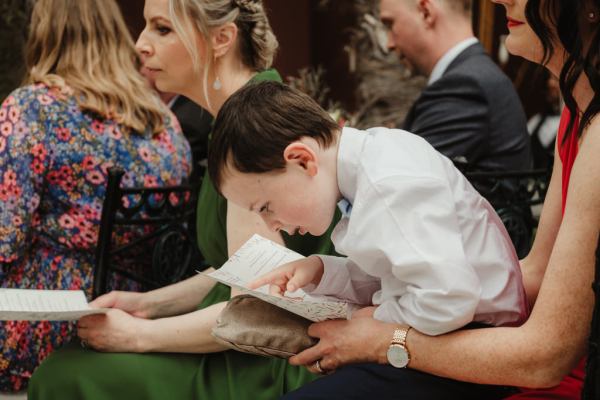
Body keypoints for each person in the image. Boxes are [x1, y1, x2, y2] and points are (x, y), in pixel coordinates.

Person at [271, 0, 599, 399]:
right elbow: (535, 273)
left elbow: (546, 357)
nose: (500, 1)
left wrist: (381, 337)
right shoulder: (577, 113)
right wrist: (342, 288)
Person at [28, 0, 339, 399]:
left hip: (273, 361)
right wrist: (149, 304)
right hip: (250, 335)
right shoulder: (242, 115)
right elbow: (240, 270)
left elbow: (256, 308)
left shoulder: (252, 134)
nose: (140, 44)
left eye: (162, 29)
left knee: (66, 373)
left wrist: (140, 335)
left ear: (222, 38)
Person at [210, 80, 527, 343]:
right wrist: (321, 270)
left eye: (266, 207)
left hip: (476, 340)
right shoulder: (367, 167)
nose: (272, 224)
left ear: (303, 160)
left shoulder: (388, 184)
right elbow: (397, 274)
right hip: (451, 327)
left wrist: (372, 320)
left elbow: (449, 298)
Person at [0, 0, 191, 393]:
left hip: (45, 323)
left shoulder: (32, 109)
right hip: (138, 314)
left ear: (44, 33)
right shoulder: (161, 119)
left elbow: (5, 238)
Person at [381, 0, 531, 177]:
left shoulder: (465, 86)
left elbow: (401, 181)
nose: (389, 44)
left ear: (425, 12)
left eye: (390, 24)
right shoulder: (472, 76)